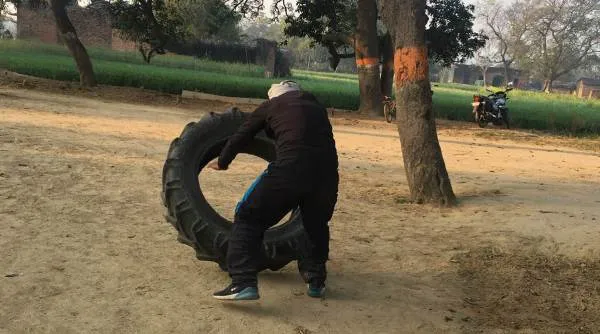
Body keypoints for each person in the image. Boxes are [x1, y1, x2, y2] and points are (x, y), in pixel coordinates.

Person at [207, 81, 339, 301]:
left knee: (248, 216)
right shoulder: (316, 107)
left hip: (290, 169)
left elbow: (243, 134)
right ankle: (316, 282)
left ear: (273, 97)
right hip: (327, 176)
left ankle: (242, 282)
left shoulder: (271, 106)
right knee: (315, 225)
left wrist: (223, 161)